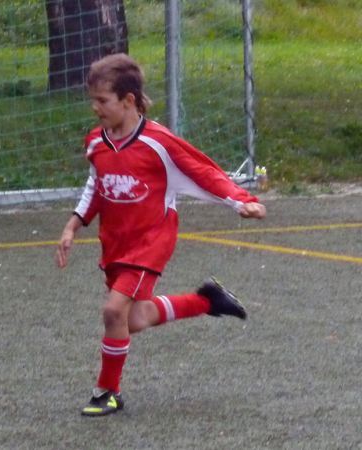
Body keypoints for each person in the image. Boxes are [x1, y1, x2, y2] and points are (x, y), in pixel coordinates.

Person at [54, 54, 266, 417]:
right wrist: (73, 224)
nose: (95, 108)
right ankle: (207, 301)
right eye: (92, 100)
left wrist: (241, 201)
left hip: (150, 242)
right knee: (133, 320)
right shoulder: (96, 143)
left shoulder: (158, 143)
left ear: (128, 100)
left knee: (112, 311)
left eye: (102, 100)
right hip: (116, 243)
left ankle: (107, 392)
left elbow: (203, 171)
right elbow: (96, 185)